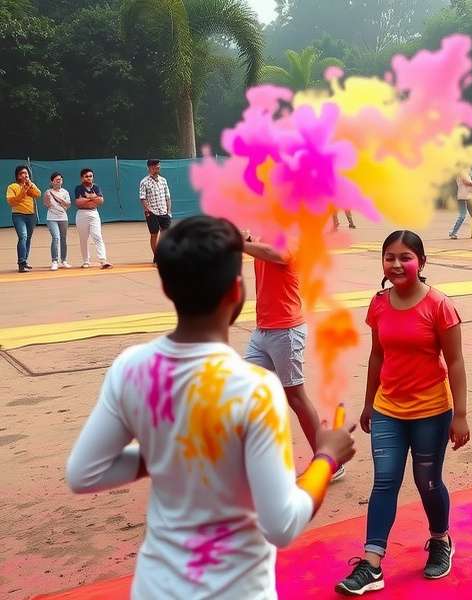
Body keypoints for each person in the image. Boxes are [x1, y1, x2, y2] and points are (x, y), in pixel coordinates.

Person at [65, 215, 356, 599]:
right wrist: (326, 458)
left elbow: (84, 473)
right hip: (237, 590)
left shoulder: (130, 366)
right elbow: (282, 525)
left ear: (167, 287)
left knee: (294, 392)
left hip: (156, 588)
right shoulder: (255, 389)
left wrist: (168, 449)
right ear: (237, 292)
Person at [336, 230, 470, 596]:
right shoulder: (379, 303)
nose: (396, 264)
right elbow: (377, 356)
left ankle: (441, 540)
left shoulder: (440, 306)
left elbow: (455, 363)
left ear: (421, 263)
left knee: (428, 482)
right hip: (387, 410)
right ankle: (371, 563)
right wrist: (368, 402)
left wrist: (461, 415)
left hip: (431, 411)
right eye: (389, 257)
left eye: (405, 257)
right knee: (385, 481)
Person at [241, 233, 344, 480]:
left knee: (296, 397)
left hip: (285, 331)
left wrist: (242, 243)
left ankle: (329, 462)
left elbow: (277, 255)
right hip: (263, 330)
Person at [74, 168, 112, 269]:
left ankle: (103, 260)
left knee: (97, 236)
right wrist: (92, 198)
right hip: (82, 214)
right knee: (84, 239)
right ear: (82, 178)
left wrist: (87, 199)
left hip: (94, 213)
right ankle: (86, 261)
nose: (89, 178)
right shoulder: (78, 188)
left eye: (90, 176)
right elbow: (78, 202)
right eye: (86, 176)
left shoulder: (96, 187)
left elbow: (100, 201)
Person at [6, 165, 41, 273]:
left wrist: (30, 186)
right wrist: (23, 190)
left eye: (26, 173)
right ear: (17, 175)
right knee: (23, 236)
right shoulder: (12, 187)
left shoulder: (30, 185)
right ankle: (21, 263)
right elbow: (12, 201)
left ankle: (25, 261)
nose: (24, 175)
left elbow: (38, 194)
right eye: (22, 173)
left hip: (31, 215)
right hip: (18, 215)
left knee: (28, 238)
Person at [139, 159, 172, 264]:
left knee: (165, 234)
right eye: (156, 166)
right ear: (150, 168)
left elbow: (168, 197)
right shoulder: (144, 181)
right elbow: (142, 198)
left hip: (164, 211)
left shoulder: (163, 180)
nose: (158, 168)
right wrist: (147, 209)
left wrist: (169, 210)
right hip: (152, 212)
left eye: (159, 166)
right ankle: (156, 257)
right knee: (154, 234)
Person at [44, 172, 72, 270]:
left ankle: (63, 260)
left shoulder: (65, 192)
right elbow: (46, 205)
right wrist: (47, 199)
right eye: (57, 179)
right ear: (52, 182)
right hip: (52, 218)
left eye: (60, 179)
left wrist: (61, 200)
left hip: (63, 218)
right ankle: (54, 261)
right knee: (56, 237)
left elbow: (68, 205)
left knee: (63, 238)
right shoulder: (48, 192)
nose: (59, 181)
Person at [449, 169, 472, 240]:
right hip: (462, 197)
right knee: (462, 215)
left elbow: (471, 182)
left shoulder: (468, 171)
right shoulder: (462, 171)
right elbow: (467, 182)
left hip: (469, 196)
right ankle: (452, 233)